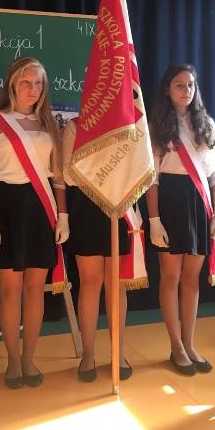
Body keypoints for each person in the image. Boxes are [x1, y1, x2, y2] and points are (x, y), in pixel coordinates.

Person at [0, 57, 69, 389]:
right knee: (10, 289)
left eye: (38, 83)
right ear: (13, 85)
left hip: (41, 208)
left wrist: (63, 215)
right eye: (26, 82)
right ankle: (13, 361)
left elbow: (57, 177)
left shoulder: (50, 125)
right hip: (7, 208)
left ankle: (29, 359)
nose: (33, 88)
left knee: (35, 289)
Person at [146, 65, 215, 376]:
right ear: (167, 90)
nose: (186, 90)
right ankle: (176, 346)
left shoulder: (207, 125)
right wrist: (154, 219)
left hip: (199, 203)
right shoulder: (156, 127)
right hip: (169, 201)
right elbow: (151, 178)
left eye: (191, 85)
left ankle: (190, 344)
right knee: (171, 277)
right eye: (179, 85)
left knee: (192, 279)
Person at [62, 118, 140, 382]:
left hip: (119, 208)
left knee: (116, 285)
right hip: (86, 209)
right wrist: (106, 171)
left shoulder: (127, 123)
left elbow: (137, 167)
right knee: (90, 282)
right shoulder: (74, 127)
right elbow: (68, 174)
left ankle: (119, 352)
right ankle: (88, 355)